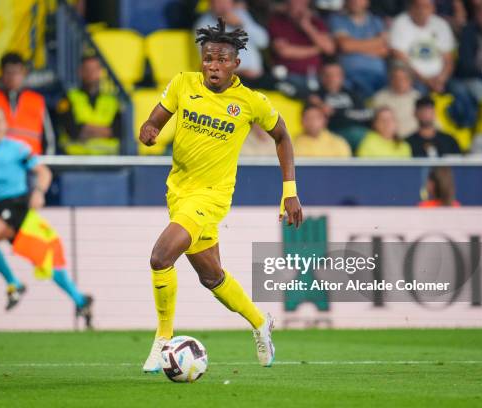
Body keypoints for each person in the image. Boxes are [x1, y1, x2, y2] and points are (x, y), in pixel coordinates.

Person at [138, 18, 302, 372]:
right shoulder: (183, 84)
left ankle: (163, 338)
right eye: (209, 58)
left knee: (160, 257)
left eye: (222, 60)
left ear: (236, 64)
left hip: (211, 197)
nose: (214, 66)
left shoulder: (249, 101)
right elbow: (154, 120)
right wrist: (149, 130)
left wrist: (289, 191)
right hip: (178, 192)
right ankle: (261, 322)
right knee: (212, 277)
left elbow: (283, 136)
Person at [0, 107, 93, 327]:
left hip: (18, 206)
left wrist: (39, 192)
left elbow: (44, 172)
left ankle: (14, 283)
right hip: (2, 211)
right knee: (45, 261)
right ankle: (81, 300)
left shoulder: (18, 148)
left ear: (5, 125)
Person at [194, 0, 271, 87]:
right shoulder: (204, 26)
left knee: (283, 83)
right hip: (231, 79)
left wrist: (241, 25)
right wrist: (242, 72)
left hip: (258, 77)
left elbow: (263, 42)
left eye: (227, 1)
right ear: (210, 4)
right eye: (218, 2)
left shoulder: (241, 15)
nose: (223, 5)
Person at [268, 0, 336, 97]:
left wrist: (307, 26)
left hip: (315, 76)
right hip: (288, 76)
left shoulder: (316, 22)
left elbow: (329, 48)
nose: (298, 3)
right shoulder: (277, 21)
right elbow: (284, 51)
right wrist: (317, 49)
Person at [56, 55, 121, 155]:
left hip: (108, 161)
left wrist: (86, 129)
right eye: (87, 69)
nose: (91, 73)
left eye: (94, 69)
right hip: (75, 160)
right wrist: (103, 131)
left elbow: (117, 131)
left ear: (101, 72)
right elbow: (73, 131)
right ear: (80, 72)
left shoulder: (112, 100)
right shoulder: (68, 97)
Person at [328, 0, 388, 97]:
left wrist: (355, 46)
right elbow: (345, 46)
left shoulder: (376, 21)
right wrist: (376, 42)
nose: (355, 1)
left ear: (367, 2)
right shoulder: (337, 19)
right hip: (352, 76)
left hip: (379, 76)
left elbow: (384, 50)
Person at [309, 60, 372, 150]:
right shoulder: (316, 95)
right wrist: (321, 106)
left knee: (363, 136)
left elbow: (364, 114)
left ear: (342, 77)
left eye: (336, 75)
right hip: (329, 132)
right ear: (321, 77)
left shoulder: (351, 94)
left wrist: (335, 111)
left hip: (354, 129)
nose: (331, 78)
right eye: (327, 75)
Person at [372, 64, 421, 138]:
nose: (399, 82)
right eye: (396, 78)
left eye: (403, 78)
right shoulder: (380, 98)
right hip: (390, 140)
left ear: (410, 80)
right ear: (390, 80)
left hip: (415, 139)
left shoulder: (418, 97)